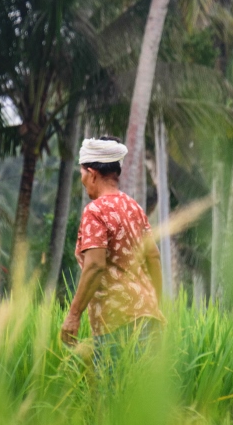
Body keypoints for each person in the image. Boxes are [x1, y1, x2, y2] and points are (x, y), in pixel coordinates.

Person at [60, 135, 164, 351]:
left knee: (112, 385)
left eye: (82, 174)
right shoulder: (134, 207)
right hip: (148, 318)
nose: (82, 180)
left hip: (117, 323)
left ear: (93, 175)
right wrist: (155, 304)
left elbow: (95, 265)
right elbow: (153, 256)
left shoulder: (95, 211)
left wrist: (73, 315)